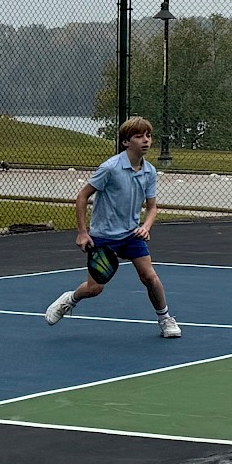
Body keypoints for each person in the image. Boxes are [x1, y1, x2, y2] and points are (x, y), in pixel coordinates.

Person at [45, 116, 181, 338]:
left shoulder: (150, 171)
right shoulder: (110, 168)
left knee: (149, 276)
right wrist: (82, 232)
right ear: (126, 142)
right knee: (94, 289)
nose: (145, 140)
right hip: (103, 237)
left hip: (131, 235)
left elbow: (152, 207)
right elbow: (82, 196)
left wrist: (146, 226)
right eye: (139, 136)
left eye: (148, 135)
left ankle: (165, 318)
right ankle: (70, 299)